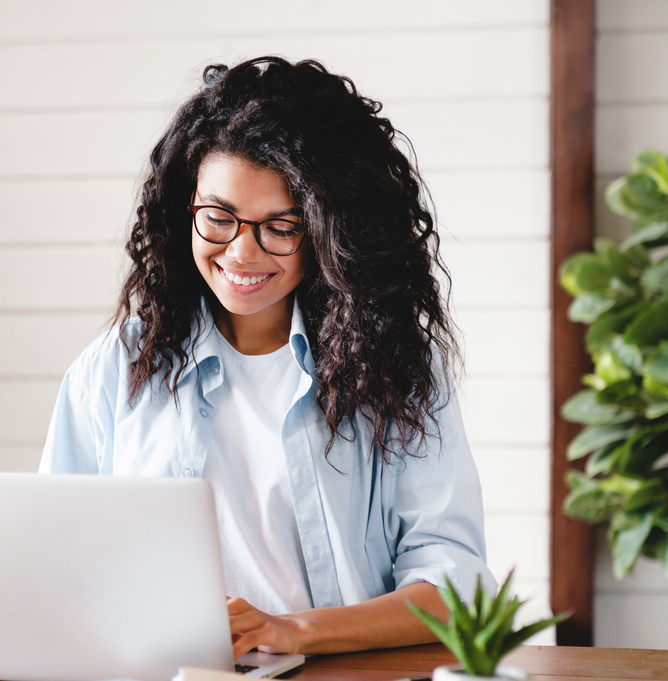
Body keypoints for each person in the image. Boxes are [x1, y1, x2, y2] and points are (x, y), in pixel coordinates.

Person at [38, 57, 494, 657]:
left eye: (281, 226)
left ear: (334, 231)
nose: (242, 252)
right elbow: (51, 558)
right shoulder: (116, 367)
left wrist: (294, 632)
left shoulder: (397, 370)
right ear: (186, 210)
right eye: (218, 218)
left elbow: (454, 584)